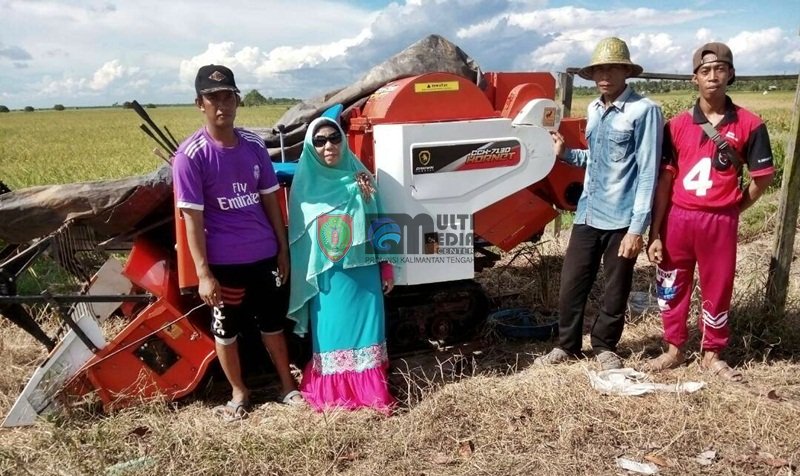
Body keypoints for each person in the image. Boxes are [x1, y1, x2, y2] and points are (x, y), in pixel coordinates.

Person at [172, 64, 303, 421]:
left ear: (237, 100)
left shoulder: (254, 146)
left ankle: (287, 387)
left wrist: (282, 248)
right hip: (225, 265)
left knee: (273, 324)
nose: (221, 105)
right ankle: (239, 393)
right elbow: (192, 221)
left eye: (227, 96)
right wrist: (204, 273)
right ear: (199, 103)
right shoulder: (190, 157)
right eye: (213, 98)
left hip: (264, 256)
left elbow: (270, 200)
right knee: (226, 331)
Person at [644, 43, 774, 381]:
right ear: (694, 79)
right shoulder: (675, 125)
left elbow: (763, 178)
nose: (713, 76)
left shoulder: (750, 123)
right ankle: (673, 348)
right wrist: (654, 232)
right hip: (679, 218)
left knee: (718, 286)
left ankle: (712, 352)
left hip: (720, 222)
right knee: (671, 284)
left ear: (730, 74)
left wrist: (734, 208)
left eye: (720, 69)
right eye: (705, 71)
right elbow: (665, 181)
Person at [535, 37, 663, 370]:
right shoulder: (594, 109)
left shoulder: (644, 111)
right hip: (588, 212)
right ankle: (567, 345)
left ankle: (605, 346)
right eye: (598, 70)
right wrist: (567, 155)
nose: (604, 75)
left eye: (611, 68)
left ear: (625, 71)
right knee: (572, 283)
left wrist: (638, 228)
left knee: (615, 286)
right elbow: (598, 159)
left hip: (622, 217)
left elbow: (647, 172)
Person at [287, 116, 395, 414]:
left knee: (367, 336)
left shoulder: (360, 177)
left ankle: (370, 395)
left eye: (334, 138)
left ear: (343, 141)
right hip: (328, 280)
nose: (328, 146)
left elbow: (379, 219)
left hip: (364, 276)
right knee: (333, 337)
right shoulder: (303, 189)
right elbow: (301, 243)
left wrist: (386, 266)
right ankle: (335, 397)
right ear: (310, 147)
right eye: (319, 141)